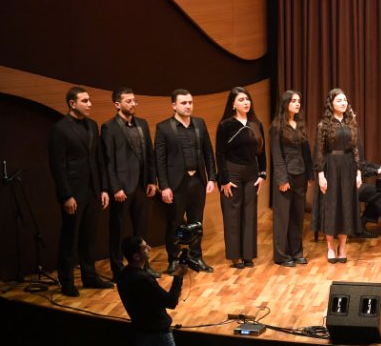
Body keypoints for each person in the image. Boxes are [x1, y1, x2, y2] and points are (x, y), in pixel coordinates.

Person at [48, 86, 111, 296]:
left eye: (89, 100)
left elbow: (99, 160)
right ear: (72, 103)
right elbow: (57, 166)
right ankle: (66, 281)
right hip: (74, 192)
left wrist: (103, 188)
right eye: (85, 101)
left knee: (89, 236)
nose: (90, 104)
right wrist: (66, 195)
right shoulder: (60, 129)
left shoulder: (92, 125)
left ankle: (89, 276)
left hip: (93, 190)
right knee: (70, 238)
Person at [154, 89, 216, 274]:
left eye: (190, 102)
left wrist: (212, 178)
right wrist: (164, 186)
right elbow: (160, 160)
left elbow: (208, 152)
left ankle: (196, 257)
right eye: (183, 103)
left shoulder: (199, 123)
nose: (188, 106)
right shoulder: (163, 127)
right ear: (174, 105)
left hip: (198, 181)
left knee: (197, 222)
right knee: (175, 223)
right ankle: (174, 259)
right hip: (176, 184)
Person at [102, 88, 159, 281]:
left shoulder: (142, 123)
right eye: (129, 101)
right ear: (117, 104)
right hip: (122, 187)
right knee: (118, 229)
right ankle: (118, 270)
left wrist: (152, 180)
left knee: (142, 229)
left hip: (142, 185)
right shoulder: (109, 127)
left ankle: (144, 267)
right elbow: (108, 161)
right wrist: (115, 187)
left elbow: (149, 154)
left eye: (135, 101)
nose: (133, 104)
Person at [216, 87, 266, 269]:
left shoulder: (256, 123)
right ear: (233, 104)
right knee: (232, 214)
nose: (246, 102)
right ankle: (235, 256)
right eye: (241, 100)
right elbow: (220, 153)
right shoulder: (225, 125)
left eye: (247, 99)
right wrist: (224, 180)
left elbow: (261, 151)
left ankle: (248, 255)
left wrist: (263, 174)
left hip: (252, 172)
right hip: (232, 173)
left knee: (249, 213)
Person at [313, 88, 362, 263]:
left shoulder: (351, 122)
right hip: (331, 167)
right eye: (339, 100)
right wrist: (320, 174)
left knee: (346, 206)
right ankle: (330, 247)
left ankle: (342, 246)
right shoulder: (324, 125)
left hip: (348, 166)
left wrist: (358, 172)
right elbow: (319, 151)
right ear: (331, 103)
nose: (343, 103)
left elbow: (355, 148)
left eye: (345, 100)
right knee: (331, 206)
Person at [270, 91, 313, 267]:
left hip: (300, 174)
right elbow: (277, 155)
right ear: (285, 103)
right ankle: (281, 255)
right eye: (293, 101)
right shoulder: (276, 127)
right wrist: (282, 179)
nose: (297, 104)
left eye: (299, 101)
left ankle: (297, 252)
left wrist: (309, 174)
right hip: (285, 176)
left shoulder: (300, 124)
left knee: (297, 215)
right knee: (283, 217)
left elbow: (306, 152)